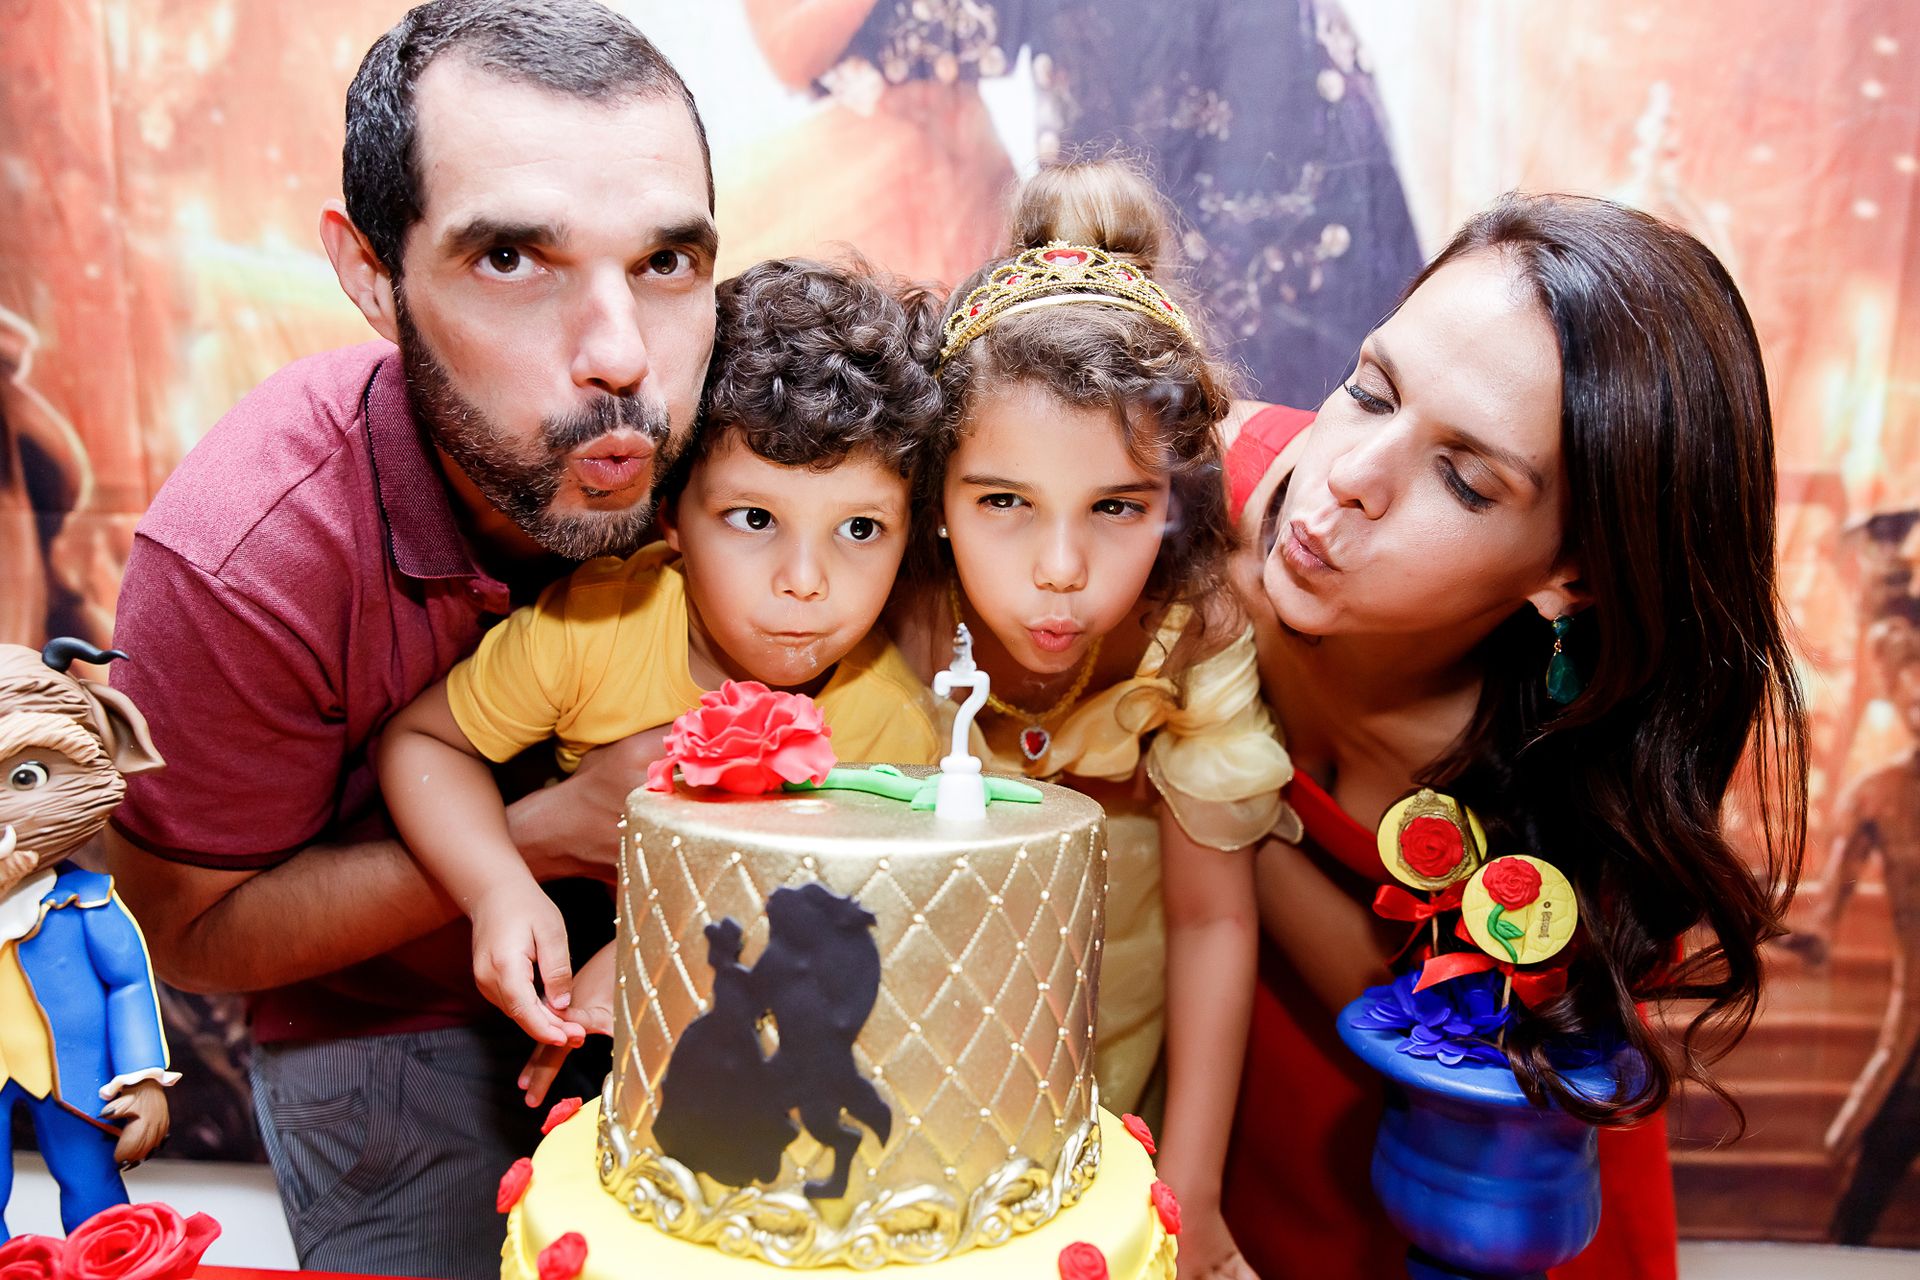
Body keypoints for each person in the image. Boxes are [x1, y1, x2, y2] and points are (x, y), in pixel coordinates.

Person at [100, 4, 719, 1277]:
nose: (621, 357)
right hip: (388, 1020)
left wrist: (1259, 488)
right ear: (372, 274)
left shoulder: (744, 421)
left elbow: (1060, 450)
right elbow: (192, 934)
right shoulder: (241, 555)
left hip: (711, 968)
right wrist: (541, 834)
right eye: (512, 259)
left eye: (665, 263)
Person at [1214, 194, 1807, 1279]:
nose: (1348, 473)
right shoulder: (1166, 495)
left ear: (1570, 573)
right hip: (1212, 1161)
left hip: (1494, 1197)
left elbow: (1421, 1037)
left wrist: (1189, 747)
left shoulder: (1580, 778)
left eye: (1464, 477)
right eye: (1369, 388)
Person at [378, 257, 944, 1049]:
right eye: (754, 519)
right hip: (528, 992)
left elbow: (863, 935)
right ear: (670, 513)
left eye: (859, 529)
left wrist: (651, 951)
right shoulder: (594, 629)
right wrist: (497, 886)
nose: (805, 583)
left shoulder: (894, 737)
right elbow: (422, 742)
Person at [889, 158, 1299, 1134]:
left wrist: (1190, 1188)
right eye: (1003, 503)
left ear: (1176, 497)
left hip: (1117, 1049)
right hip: (904, 1052)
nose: (1061, 568)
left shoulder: (1190, 629)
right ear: (935, 492)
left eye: (1117, 506)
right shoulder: (889, 610)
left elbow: (1210, 919)